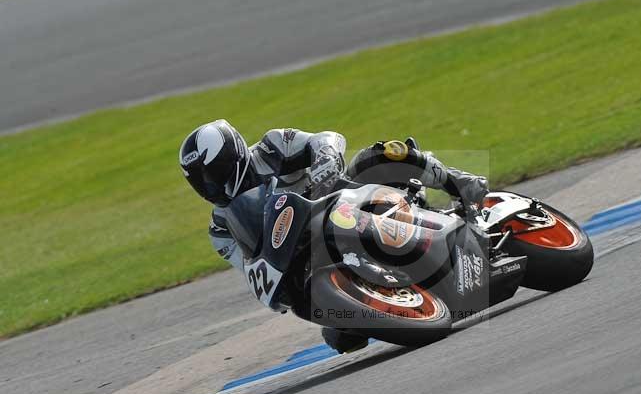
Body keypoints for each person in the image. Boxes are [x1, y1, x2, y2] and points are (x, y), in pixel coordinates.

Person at [179, 120, 488, 352]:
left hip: (349, 202)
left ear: (231, 157)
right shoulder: (221, 229)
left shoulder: (272, 148)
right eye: (201, 182)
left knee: (378, 155)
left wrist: (325, 157)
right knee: (341, 337)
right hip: (315, 255)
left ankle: (459, 182)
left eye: (213, 174)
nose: (210, 186)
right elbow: (252, 266)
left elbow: (326, 138)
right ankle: (397, 289)